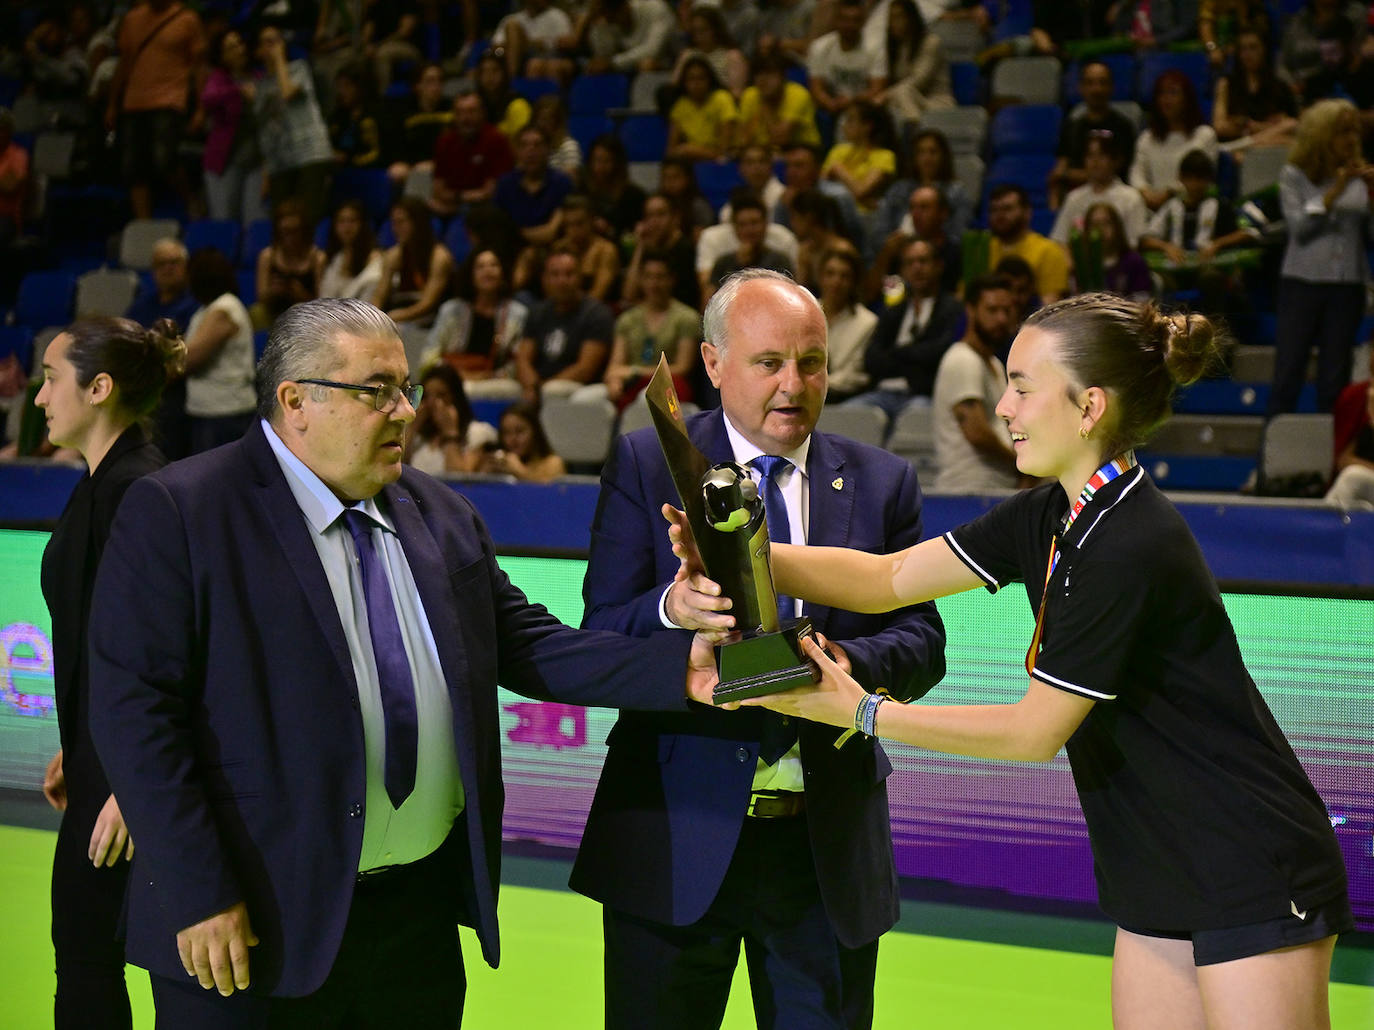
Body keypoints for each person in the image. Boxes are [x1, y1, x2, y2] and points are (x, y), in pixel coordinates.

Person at [682, 292, 1353, 1030]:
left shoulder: (1130, 540)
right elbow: (889, 578)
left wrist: (865, 712)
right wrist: (744, 552)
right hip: (1154, 866)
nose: (1002, 407)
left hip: (1250, 863)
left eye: (1023, 387)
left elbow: (1035, 732)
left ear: (1089, 406)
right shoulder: (1051, 512)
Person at [86, 298, 716, 1023]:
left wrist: (681, 668)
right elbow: (137, 714)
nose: (405, 412)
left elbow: (530, 645)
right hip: (251, 921)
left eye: (405, 389)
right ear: (296, 401)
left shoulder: (441, 514)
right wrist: (200, 892)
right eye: (376, 391)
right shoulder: (183, 510)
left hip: (414, 921)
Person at [573, 267, 946, 1029]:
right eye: (769, 362)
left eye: (811, 362)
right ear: (713, 365)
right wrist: (674, 610)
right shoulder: (650, 464)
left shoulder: (882, 480)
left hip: (824, 856)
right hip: (674, 842)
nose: (794, 384)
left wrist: (847, 672)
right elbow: (601, 637)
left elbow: (923, 641)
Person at [37, 317, 184, 1030]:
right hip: (108, 770)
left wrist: (132, 781)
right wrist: (83, 742)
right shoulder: (104, 483)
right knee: (91, 962)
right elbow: (108, 641)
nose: (39, 398)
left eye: (49, 377)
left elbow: (181, 651)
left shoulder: (137, 490)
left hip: (133, 789)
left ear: (99, 388)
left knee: (106, 968)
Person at [1270, 98, 1373, 417]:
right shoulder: (1294, 176)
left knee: (1335, 380)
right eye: (1343, 132)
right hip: (1302, 284)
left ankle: (1333, 462)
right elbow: (1299, 227)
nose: (1351, 140)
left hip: (1347, 285)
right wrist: (1335, 192)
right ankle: (1271, 464)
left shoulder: (1362, 177)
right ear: (1322, 134)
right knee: (1288, 374)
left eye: (1354, 132)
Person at [105, 0, 205, 220]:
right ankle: (143, 222)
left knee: (164, 161)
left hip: (169, 99)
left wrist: (200, 107)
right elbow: (124, 64)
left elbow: (198, 66)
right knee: (133, 168)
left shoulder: (187, 19)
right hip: (134, 100)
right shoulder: (132, 19)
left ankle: (191, 199)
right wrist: (112, 104)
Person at [849, 235, 963, 426]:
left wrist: (897, 354)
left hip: (923, 395)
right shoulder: (894, 311)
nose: (917, 268)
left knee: (913, 422)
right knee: (842, 417)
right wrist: (913, 357)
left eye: (923, 261)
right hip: (882, 393)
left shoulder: (953, 309)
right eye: (910, 263)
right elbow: (872, 358)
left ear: (938, 266)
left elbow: (939, 354)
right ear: (903, 270)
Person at [930, 274, 1022, 491]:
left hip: (996, 486)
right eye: (992, 310)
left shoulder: (995, 364)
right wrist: (1021, 466)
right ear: (971, 310)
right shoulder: (962, 360)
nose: (1001, 318)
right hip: (968, 490)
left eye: (1006, 311)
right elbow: (977, 433)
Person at [251, 24, 334, 227]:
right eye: (266, 42)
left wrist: (279, 58)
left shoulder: (299, 69)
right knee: (281, 223)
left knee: (307, 219)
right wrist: (265, 170)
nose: (271, 47)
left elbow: (287, 92)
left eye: (276, 41)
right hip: (279, 162)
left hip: (310, 154)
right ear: (258, 50)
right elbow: (263, 130)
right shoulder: (260, 86)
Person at [597, 249, 700, 409]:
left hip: (670, 384)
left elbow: (683, 367)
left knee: (645, 398)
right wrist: (614, 381)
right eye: (649, 277)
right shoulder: (627, 319)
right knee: (587, 399)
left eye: (660, 277)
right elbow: (614, 367)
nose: (654, 283)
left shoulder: (686, 317)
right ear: (641, 280)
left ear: (671, 280)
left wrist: (636, 372)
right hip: (631, 383)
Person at [513, 247, 615, 402]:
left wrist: (542, 389)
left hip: (580, 388)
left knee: (552, 391)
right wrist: (533, 385)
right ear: (544, 279)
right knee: (499, 390)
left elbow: (585, 369)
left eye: (569, 274)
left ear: (580, 278)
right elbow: (523, 360)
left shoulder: (597, 314)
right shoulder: (537, 312)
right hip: (538, 386)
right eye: (555, 275)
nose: (562, 281)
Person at [426, 248, 528, 398]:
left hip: (496, 381)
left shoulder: (518, 314)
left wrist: (491, 376)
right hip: (454, 376)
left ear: (503, 273)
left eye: (494, 265)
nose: (488, 271)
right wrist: (460, 376)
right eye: (480, 267)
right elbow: (429, 356)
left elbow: (518, 360)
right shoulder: (451, 310)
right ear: (471, 275)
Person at [184, 248, 256, 454]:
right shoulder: (207, 309)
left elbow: (190, 359)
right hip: (211, 412)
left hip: (224, 413)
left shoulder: (223, 309)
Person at [1048, 60, 1139, 211]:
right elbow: (1059, 172)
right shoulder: (1072, 127)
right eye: (1090, 83)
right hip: (1078, 200)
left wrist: (1069, 175)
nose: (1096, 89)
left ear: (1111, 87)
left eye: (1102, 83)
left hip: (1115, 201)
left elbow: (1115, 172)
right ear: (1081, 88)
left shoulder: (1123, 126)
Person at [1129, 71, 1219, 211]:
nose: (1166, 99)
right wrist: (1146, 194)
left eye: (1173, 93)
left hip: (1193, 207)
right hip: (1151, 206)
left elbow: (1203, 176)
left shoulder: (1204, 135)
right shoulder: (1147, 138)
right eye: (1162, 94)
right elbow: (1137, 174)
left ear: (1186, 98)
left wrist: (1169, 193)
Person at [200, 28, 263, 225]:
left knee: (254, 221)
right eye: (231, 47)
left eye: (239, 44)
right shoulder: (219, 79)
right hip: (225, 162)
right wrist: (239, 90)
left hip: (256, 161)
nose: (239, 50)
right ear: (222, 56)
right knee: (224, 220)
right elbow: (208, 99)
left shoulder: (259, 76)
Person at [872, 127, 973, 244]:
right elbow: (880, 232)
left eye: (933, 152)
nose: (927, 158)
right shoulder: (898, 189)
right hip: (898, 252)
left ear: (943, 156)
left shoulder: (958, 193)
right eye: (921, 152)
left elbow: (959, 235)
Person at [372, 196, 456, 335]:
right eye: (394, 223)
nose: (396, 228)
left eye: (401, 222)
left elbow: (428, 303)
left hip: (429, 320)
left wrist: (395, 316)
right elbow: (380, 294)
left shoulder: (439, 257)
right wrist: (371, 316)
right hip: (400, 314)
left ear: (418, 223)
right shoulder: (394, 255)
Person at [1050, 133, 1149, 250]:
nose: (1095, 161)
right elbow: (1059, 240)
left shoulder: (1131, 198)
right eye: (1090, 156)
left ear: (1115, 160)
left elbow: (1133, 244)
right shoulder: (1074, 198)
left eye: (1102, 155)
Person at [1212, 27, 1298, 154]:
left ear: (1264, 50)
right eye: (1243, 49)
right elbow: (1219, 126)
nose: (1247, 54)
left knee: (1287, 135)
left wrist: (1250, 126)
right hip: (1236, 146)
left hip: (1269, 145)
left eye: (1253, 48)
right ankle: (1246, 146)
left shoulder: (1280, 86)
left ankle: (1247, 145)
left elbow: (1292, 124)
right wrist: (1264, 126)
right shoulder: (1226, 84)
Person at [402, 361, 497, 475]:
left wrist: (450, 432)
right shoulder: (419, 437)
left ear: (455, 397)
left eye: (441, 395)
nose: (433, 404)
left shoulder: (477, 433)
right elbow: (398, 468)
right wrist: (413, 427)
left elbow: (459, 478)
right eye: (428, 396)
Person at [431, 91, 514, 217]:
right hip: (450, 208)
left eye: (471, 111)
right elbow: (438, 190)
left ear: (482, 113)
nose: (465, 118)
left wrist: (456, 199)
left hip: (486, 210)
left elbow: (490, 192)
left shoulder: (496, 139)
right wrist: (463, 198)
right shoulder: (445, 141)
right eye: (460, 112)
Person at [986, 184, 1071, 304]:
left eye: (1007, 209)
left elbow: (1050, 308)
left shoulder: (1048, 251)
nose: (999, 215)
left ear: (1027, 212)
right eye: (994, 210)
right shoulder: (982, 249)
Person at [704, 192, 795, 301]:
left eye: (754, 223)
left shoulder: (780, 260)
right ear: (735, 228)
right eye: (742, 224)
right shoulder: (723, 263)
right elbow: (708, 303)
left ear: (765, 224)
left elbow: (790, 299)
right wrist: (738, 265)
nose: (749, 230)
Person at [877, 0, 953, 131]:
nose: (894, 23)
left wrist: (884, 95)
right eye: (891, 18)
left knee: (902, 92)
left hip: (936, 102)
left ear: (911, 18)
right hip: (905, 101)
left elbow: (918, 82)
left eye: (899, 16)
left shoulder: (931, 42)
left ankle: (915, 135)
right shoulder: (897, 47)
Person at [251, 198, 325, 330]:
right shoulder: (268, 256)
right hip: (274, 309)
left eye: (295, 231)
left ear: (304, 231)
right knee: (257, 312)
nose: (290, 238)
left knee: (296, 310)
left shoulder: (317, 258)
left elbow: (324, 301)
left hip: (306, 315)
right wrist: (273, 292)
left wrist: (301, 294)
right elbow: (261, 297)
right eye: (285, 232)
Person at [493, 124, 574, 246]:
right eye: (524, 145)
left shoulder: (562, 183)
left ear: (548, 149)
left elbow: (551, 233)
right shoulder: (505, 184)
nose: (530, 151)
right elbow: (498, 231)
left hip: (552, 251)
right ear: (517, 151)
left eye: (537, 145)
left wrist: (516, 234)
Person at [807, 0, 888, 118]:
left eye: (855, 21)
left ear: (862, 23)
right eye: (845, 20)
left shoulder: (875, 47)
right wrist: (829, 103)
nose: (850, 25)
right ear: (836, 21)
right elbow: (816, 87)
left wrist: (852, 101)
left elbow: (877, 89)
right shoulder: (820, 46)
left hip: (863, 108)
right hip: (829, 107)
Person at [623, 192, 701, 310]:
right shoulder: (648, 248)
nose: (654, 221)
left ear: (675, 217)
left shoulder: (685, 250)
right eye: (649, 216)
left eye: (660, 214)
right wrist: (640, 247)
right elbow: (628, 294)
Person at [817, 246, 875, 402]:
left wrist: (814, 384)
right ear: (820, 277)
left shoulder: (867, 322)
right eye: (830, 274)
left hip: (842, 397)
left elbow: (855, 375)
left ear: (853, 282)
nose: (836, 281)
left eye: (844, 276)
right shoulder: (803, 313)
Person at [822, 99, 897, 214]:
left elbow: (861, 191)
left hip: (865, 216)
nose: (844, 125)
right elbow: (821, 183)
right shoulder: (838, 150)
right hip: (834, 210)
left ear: (867, 126)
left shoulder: (884, 156)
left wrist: (839, 170)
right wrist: (863, 199)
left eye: (850, 120)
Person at [736, 52, 822, 152]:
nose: (763, 80)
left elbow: (780, 139)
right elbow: (742, 139)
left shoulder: (798, 94)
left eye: (769, 74)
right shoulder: (749, 95)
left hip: (800, 151)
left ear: (782, 77)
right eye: (758, 74)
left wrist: (764, 101)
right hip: (764, 154)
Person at [385, 63, 451, 188]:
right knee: (396, 172)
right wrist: (410, 166)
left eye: (440, 81)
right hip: (413, 168)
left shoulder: (452, 108)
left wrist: (435, 164)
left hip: (446, 167)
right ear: (417, 86)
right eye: (430, 81)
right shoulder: (403, 112)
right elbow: (398, 146)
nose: (436, 86)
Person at [666, 55, 740, 163]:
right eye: (691, 79)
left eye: (701, 78)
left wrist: (693, 150)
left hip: (723, 162)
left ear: (709, 79)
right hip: (693, 163)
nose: (696, 84)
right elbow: (671, 151)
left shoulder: (722, 98)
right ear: (684, 82)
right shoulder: (680, 106)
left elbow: (724, 150)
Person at [1325, 349, 1374, 509]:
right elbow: (1343, 460)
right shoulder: (1355, 396)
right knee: (1351, 477)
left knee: (1353, 477)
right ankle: (1321, 529)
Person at [1074, 202, 1153, 300]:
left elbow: (1142, 302)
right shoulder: (1082, 263)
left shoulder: (1134, 261)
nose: (1100, 229)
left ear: (1117, 227)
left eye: (1106, 223)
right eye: (1094, 224)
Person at [477, 399, 566, 481]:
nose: (513, 439)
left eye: (520, 431)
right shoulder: (500, 464)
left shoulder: (553, 463)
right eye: (507, 433)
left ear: (535, 431)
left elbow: (547, 495)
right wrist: (484, 476)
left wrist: (519, 471)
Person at [583, 134, 647, 245]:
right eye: (597, 160)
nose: (600, 167)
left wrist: (610, 231)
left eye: (606, 161)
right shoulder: (583, 191)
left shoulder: (634, 196)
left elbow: (635, 235)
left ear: (617, 163)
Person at [319, 199, 385, 301]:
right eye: (341, 221)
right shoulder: (336, 257)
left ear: (362, 224)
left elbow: (367, 303)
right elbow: (323, 298)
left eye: (352, 221)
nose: (347, 226)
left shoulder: (374, 259)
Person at [327, 64, 382, 168]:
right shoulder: (337, 116)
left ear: (361, 87)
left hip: (368, 172)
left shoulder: (375, 115)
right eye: (339, 86)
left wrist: (349, 161)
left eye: (347, 86)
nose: (341, 91)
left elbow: (378, 154)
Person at [474, 51, 530, 141]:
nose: (489, 76)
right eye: (484, 71)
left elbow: (523, 141)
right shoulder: (475, 103)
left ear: (504, 73)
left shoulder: (517, 104)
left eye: (495, 70)